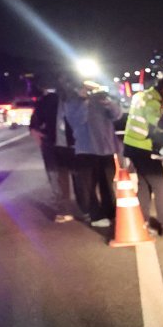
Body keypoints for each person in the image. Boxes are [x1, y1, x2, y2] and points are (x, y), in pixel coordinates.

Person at [122, 75, 163, 237]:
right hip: (143, 147)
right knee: (160, 186)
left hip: (133, 146)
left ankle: (141, 222)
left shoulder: (142, 96)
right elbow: (156, 121)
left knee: (145, 185)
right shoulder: (152, 101)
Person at [64, 82, 123, 227]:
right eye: (84, 88)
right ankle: (95, 215)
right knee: (89, 186)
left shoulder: (100, 101)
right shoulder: (73, 103)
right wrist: (84, 102)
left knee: (107, 183)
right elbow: (76, 121)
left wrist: (109, 103)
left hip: (106, 149)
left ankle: (110, 211)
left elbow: (117, 115)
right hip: (86, 150)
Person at [29, 84, 77, 222]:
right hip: (53, 145)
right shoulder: (47, 101)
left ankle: (83, 208)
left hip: (72, 144)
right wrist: (37, 132)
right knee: (57, 178)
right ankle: (65, 210)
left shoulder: (76, 100)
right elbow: (35, 122)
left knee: (79, 180)